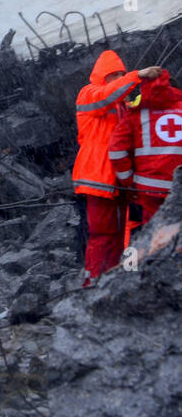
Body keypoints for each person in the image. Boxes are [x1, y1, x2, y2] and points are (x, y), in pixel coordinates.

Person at [72, 51, 161, 283]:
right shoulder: (89, 94)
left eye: (121, 74)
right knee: (102, 234)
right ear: (103, 77)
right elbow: (106, 96)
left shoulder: (121, 104)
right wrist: (136, 76)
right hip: (97, 178)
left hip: (117, 180)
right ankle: (93, 280)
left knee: (119, 234)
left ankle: (108, 279)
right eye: (114, 75)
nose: (118, 79)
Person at [108, 68, 182, 249]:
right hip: (179, 185)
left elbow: (116, 151)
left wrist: (127, 181)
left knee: (149, 235)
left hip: (149, 190)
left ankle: (139, 270)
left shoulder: (135, 114)